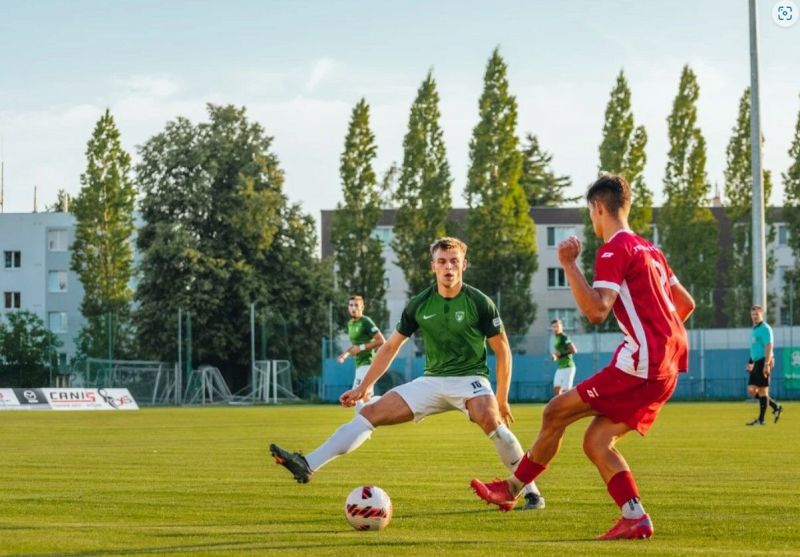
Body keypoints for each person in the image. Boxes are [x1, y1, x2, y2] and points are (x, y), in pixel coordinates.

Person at [470, 174, 696, 539]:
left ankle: (510, 489)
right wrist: (653, 334)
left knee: (554, 412)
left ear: (598, 208)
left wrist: (569, 264)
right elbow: (686, 304)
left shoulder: (613, 249)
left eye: (590, 213)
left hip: (642, 364)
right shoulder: (651, 250)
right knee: (596, 441)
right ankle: (634, 516)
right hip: (667, 365)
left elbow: (595, 311)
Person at [270, 236, 546, 510]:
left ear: (464, 265)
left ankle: (530, 492)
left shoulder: (480, 302)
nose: (448, 267)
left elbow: (503, 350)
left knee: (491, 419)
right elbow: (390, 347)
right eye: (442, 262)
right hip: (431, 381)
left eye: (454, 262)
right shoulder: (419, 304)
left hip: (470, 379)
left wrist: (502, 397)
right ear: (433, 267)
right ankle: (307, 464)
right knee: (369, 414)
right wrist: (364, 387)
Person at [336, 295, 386, 413]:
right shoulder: (351, 324)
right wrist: (346, 354)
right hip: (359, 364)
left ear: (362, 307)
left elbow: (381, 341)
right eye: (351, 305)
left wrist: (361, 348)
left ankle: (360, 426)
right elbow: (355, 346)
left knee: (356, 395)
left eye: (356, 305)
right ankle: (390, 407)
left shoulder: (366, 321)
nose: (353, 308)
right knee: (366, 398)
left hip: (367, 364)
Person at [745, 305, 783, 426]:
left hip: (763, 362)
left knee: (762, 392)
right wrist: (750, 362)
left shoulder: (766, 328)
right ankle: (776, 406)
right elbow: (755, 348)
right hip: (756, 362)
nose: (754, 317)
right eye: (752, 314)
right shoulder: (755, 329)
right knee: (752, 391)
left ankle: (761, 420)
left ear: (762, 315)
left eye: (757, 314)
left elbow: (769, 346)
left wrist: (767, 363)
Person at [549, 319, 577, 398]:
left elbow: (573, 350)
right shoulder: (556, 338)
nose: (555, 328)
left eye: (557, 326)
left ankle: (569, 408)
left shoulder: (564, 337)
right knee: (556, 389)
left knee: (566, 392)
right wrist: (555, 356)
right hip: (560, 367)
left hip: (568, 367)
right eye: (553, 327)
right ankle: (561, 408)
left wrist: (560, 354)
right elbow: (560, 352)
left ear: (561, 327)